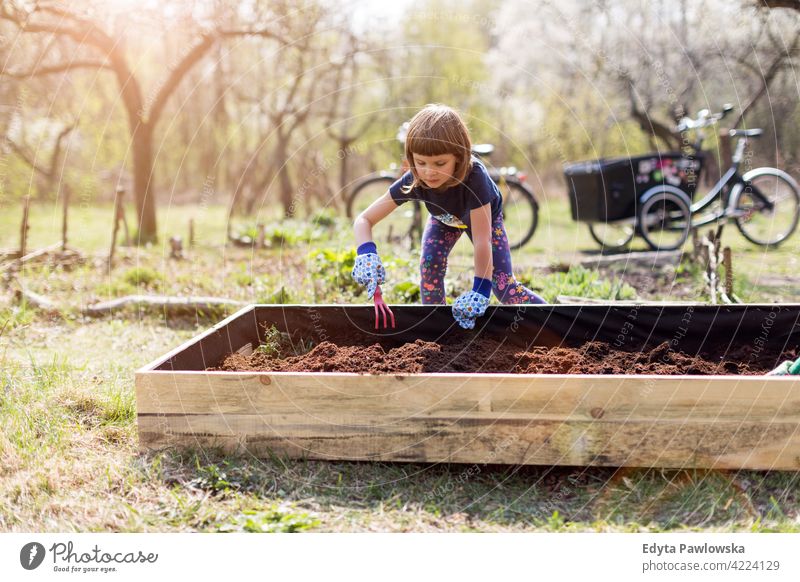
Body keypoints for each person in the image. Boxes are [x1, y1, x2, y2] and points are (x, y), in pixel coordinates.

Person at [351, 104, 546, 329]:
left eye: (440, 163)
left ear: (459, 157)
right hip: (443, 219)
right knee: (429, 266)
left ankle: (553, 322)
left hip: (483, 220)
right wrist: (366, 254)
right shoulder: (415, 179)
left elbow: (483, 241)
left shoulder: (475, 178)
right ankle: (437, 331)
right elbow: (364, 220)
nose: (429, 172)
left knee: (503, 287)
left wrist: (480, 289)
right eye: (420, 162)